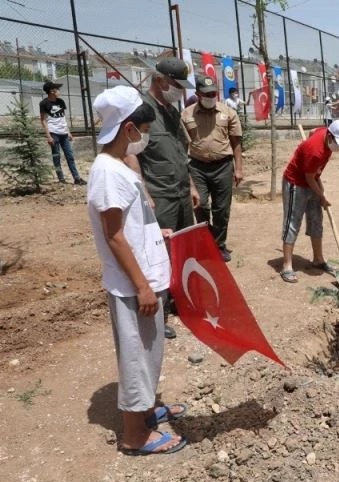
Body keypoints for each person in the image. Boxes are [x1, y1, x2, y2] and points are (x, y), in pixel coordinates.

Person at [87, 85, 188, 456]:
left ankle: (145, 411)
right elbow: (113, 236)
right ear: (129, 129)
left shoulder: (118, 168)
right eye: (143, 130)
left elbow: (128, 223)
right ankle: (134, 435)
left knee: (149, 351)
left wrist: (152, 231)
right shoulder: (108, 173)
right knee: (136, 356)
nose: (144, 136)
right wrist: (143, 286)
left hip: (144, 277)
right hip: (133, 286)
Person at [127, 56, 200, 340]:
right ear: (160, 80)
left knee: (183, 251)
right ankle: (162, 312)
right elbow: (131, 154)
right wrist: (143, 191)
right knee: (160, 255)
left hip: (180, 192)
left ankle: (182, 302)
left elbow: (181, 155)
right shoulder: (142, 112)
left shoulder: (170, 111)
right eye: (176, 85)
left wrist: (192, 185)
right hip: (159, 196)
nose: (180, 91)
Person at [280, 120, 339, 283]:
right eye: (337, 143)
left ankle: (318, 260)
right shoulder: (315, 151)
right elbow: (309, 178)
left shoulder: (325, 133)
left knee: (316, 221)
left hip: (312, 178)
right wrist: (322, 197)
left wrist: (320, 195)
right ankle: (287, 265)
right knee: (292, 222)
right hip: (296, 183)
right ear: (329, 135)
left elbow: (314, 131)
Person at [181, 75, 243, 263]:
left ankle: (219, 246)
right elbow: (182, 145)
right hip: (197, 167)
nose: (210, 96)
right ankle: (206, 242)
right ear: (198, 94)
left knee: (221, 209)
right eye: (206, 94)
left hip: (223, 166)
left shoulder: (228, 113)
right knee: (201, 205)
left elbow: (237, 142)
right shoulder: (186, 114)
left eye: (213, 93)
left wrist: (238, 168)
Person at [39, 81, 85, 185]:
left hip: (64, 133)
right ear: (51, 91)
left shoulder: (61, 101)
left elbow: (63, 118)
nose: (59, 91)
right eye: (57, 89)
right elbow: (43, 120)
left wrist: (68, 132)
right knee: (56, 156)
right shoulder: (44, 103)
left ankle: (77, 178)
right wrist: (48, 136)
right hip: (53, 133)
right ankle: (61, 179)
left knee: (70, 156)